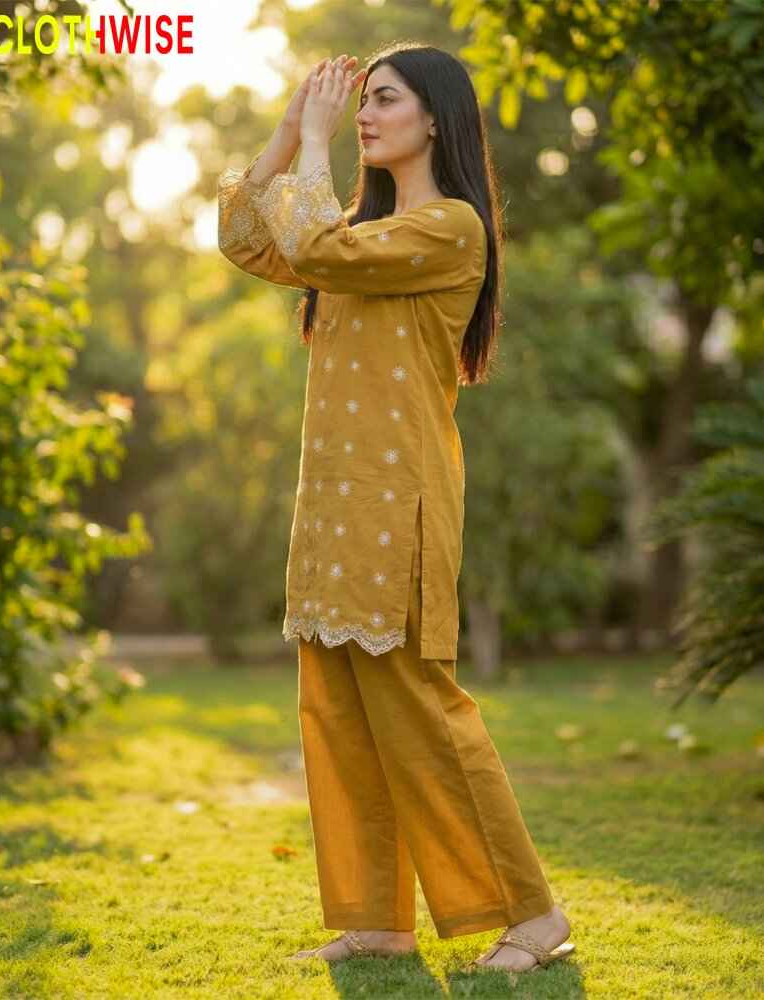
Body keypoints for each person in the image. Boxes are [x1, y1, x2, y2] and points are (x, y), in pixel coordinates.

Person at [217, 43, 575, 974]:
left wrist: (316, 148)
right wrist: (291, 133)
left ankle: (532, 916)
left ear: (434, 118)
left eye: (384, 100)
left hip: (400, 505)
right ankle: (375, 918)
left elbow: (309, 244)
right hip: (332, 503)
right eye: (360, 101)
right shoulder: (352, 235)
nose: (366, 114)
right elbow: (249, 241)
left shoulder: (450, 228)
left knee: (424, 711)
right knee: (337, 711)